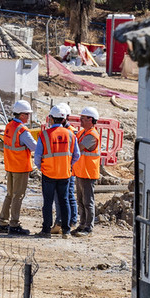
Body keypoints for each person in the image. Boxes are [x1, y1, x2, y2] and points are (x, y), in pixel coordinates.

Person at [34, 105, 79, 238]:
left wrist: (41, 168)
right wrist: (68, 165)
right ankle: (66, 231)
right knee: (64, 201)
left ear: (51, 119)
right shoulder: (71, 134)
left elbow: (37, 156)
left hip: (48, 173)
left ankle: (46, 230)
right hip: (64, 173)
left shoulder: (44, 135)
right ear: (64, 119)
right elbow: (77, 155)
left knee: (48, 202)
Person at [0, 100, 36, 236]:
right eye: (27, 114)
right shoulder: (22, 130)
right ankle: (14, 224)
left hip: (11, 165)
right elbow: (34, 147)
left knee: (10, 194)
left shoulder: (9, 126)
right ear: (21, 115)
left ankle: (3, 222)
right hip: (20, 166)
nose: (29, 116)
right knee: (18, 196)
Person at [72, 107, 101, 236]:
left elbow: (78, 147)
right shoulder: (83, 132)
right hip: (80, 172)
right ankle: (82, 224)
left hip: (88, 173)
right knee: (81, 200)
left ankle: (88, 227)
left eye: (83, 119)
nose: (80, 121)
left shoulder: (92, 135)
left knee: (88, 201)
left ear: (91, 120)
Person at [51, 102, 79, 234]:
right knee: (67, 196)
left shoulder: (70, 132)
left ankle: (67, 221)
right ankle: (69, 221)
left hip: (66, 170)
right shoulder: (69, 131)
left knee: (66, 197)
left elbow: (75, 153)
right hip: (65, 169)